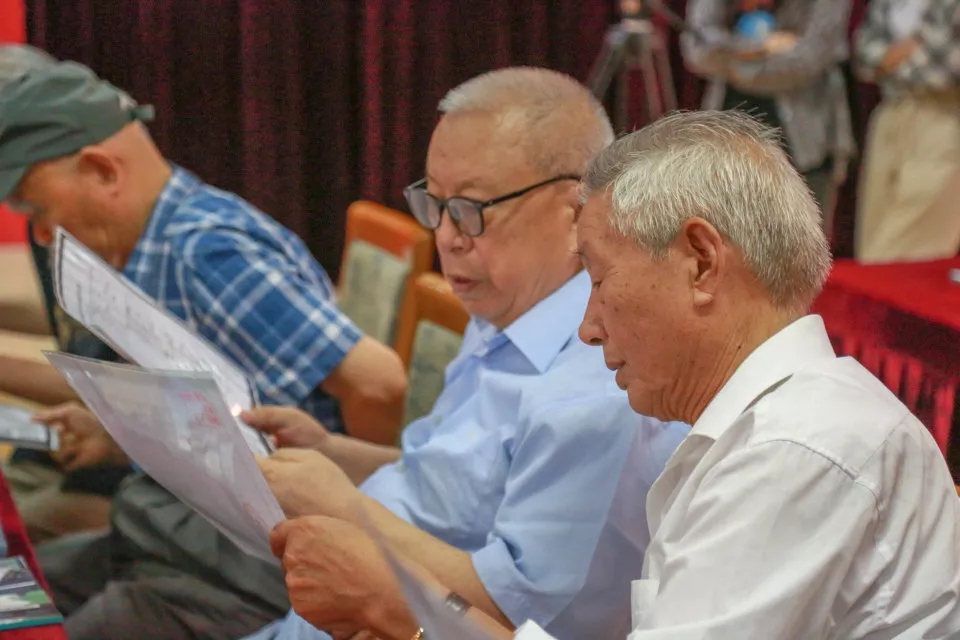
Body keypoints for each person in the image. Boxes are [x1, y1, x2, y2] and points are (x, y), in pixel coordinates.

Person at [276, 110, 960, 640]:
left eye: (600, 281)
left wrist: (402, 609)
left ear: (700, 262)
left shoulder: (797, 448)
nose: (587, 327)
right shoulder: (766, 428)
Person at [242, 67, 688, 640]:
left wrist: (345, 508)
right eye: (435, 203)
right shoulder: (503, 311)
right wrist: (334, 453)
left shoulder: (599, 380)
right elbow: (454, 486)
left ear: (574, 211)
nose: (448, 236)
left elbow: (508, 615)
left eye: (472, 208)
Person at [0, 45, 407, 639]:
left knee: (25, 621)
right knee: (10, 594)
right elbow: (214, 407)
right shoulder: (150, 246)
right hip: (169, 536)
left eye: (38, 209)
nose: (39, 233)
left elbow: (378, 381)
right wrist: (117, 437)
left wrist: (358, 530)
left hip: (233, 573)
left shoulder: (206, 252)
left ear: (103, 171)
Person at [0, 45, 128, 544]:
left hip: (118, 472)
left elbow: (113, 391)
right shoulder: (49, 210)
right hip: (62, 443)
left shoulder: (106, 226)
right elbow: (73, 321)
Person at [681, 0, 855, 237]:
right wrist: (761, 48)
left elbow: (806, 61)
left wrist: (729, 61)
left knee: (799, 244)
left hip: (808, 139)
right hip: (727, 137)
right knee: (727, 242)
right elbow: (696, 47)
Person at [853, 0, 960, 262]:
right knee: (870, 242)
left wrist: (888, 62)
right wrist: (912, 55)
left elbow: (950, 68)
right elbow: (861, 53)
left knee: (908, 245)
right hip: (889, 112)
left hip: (943, 119)